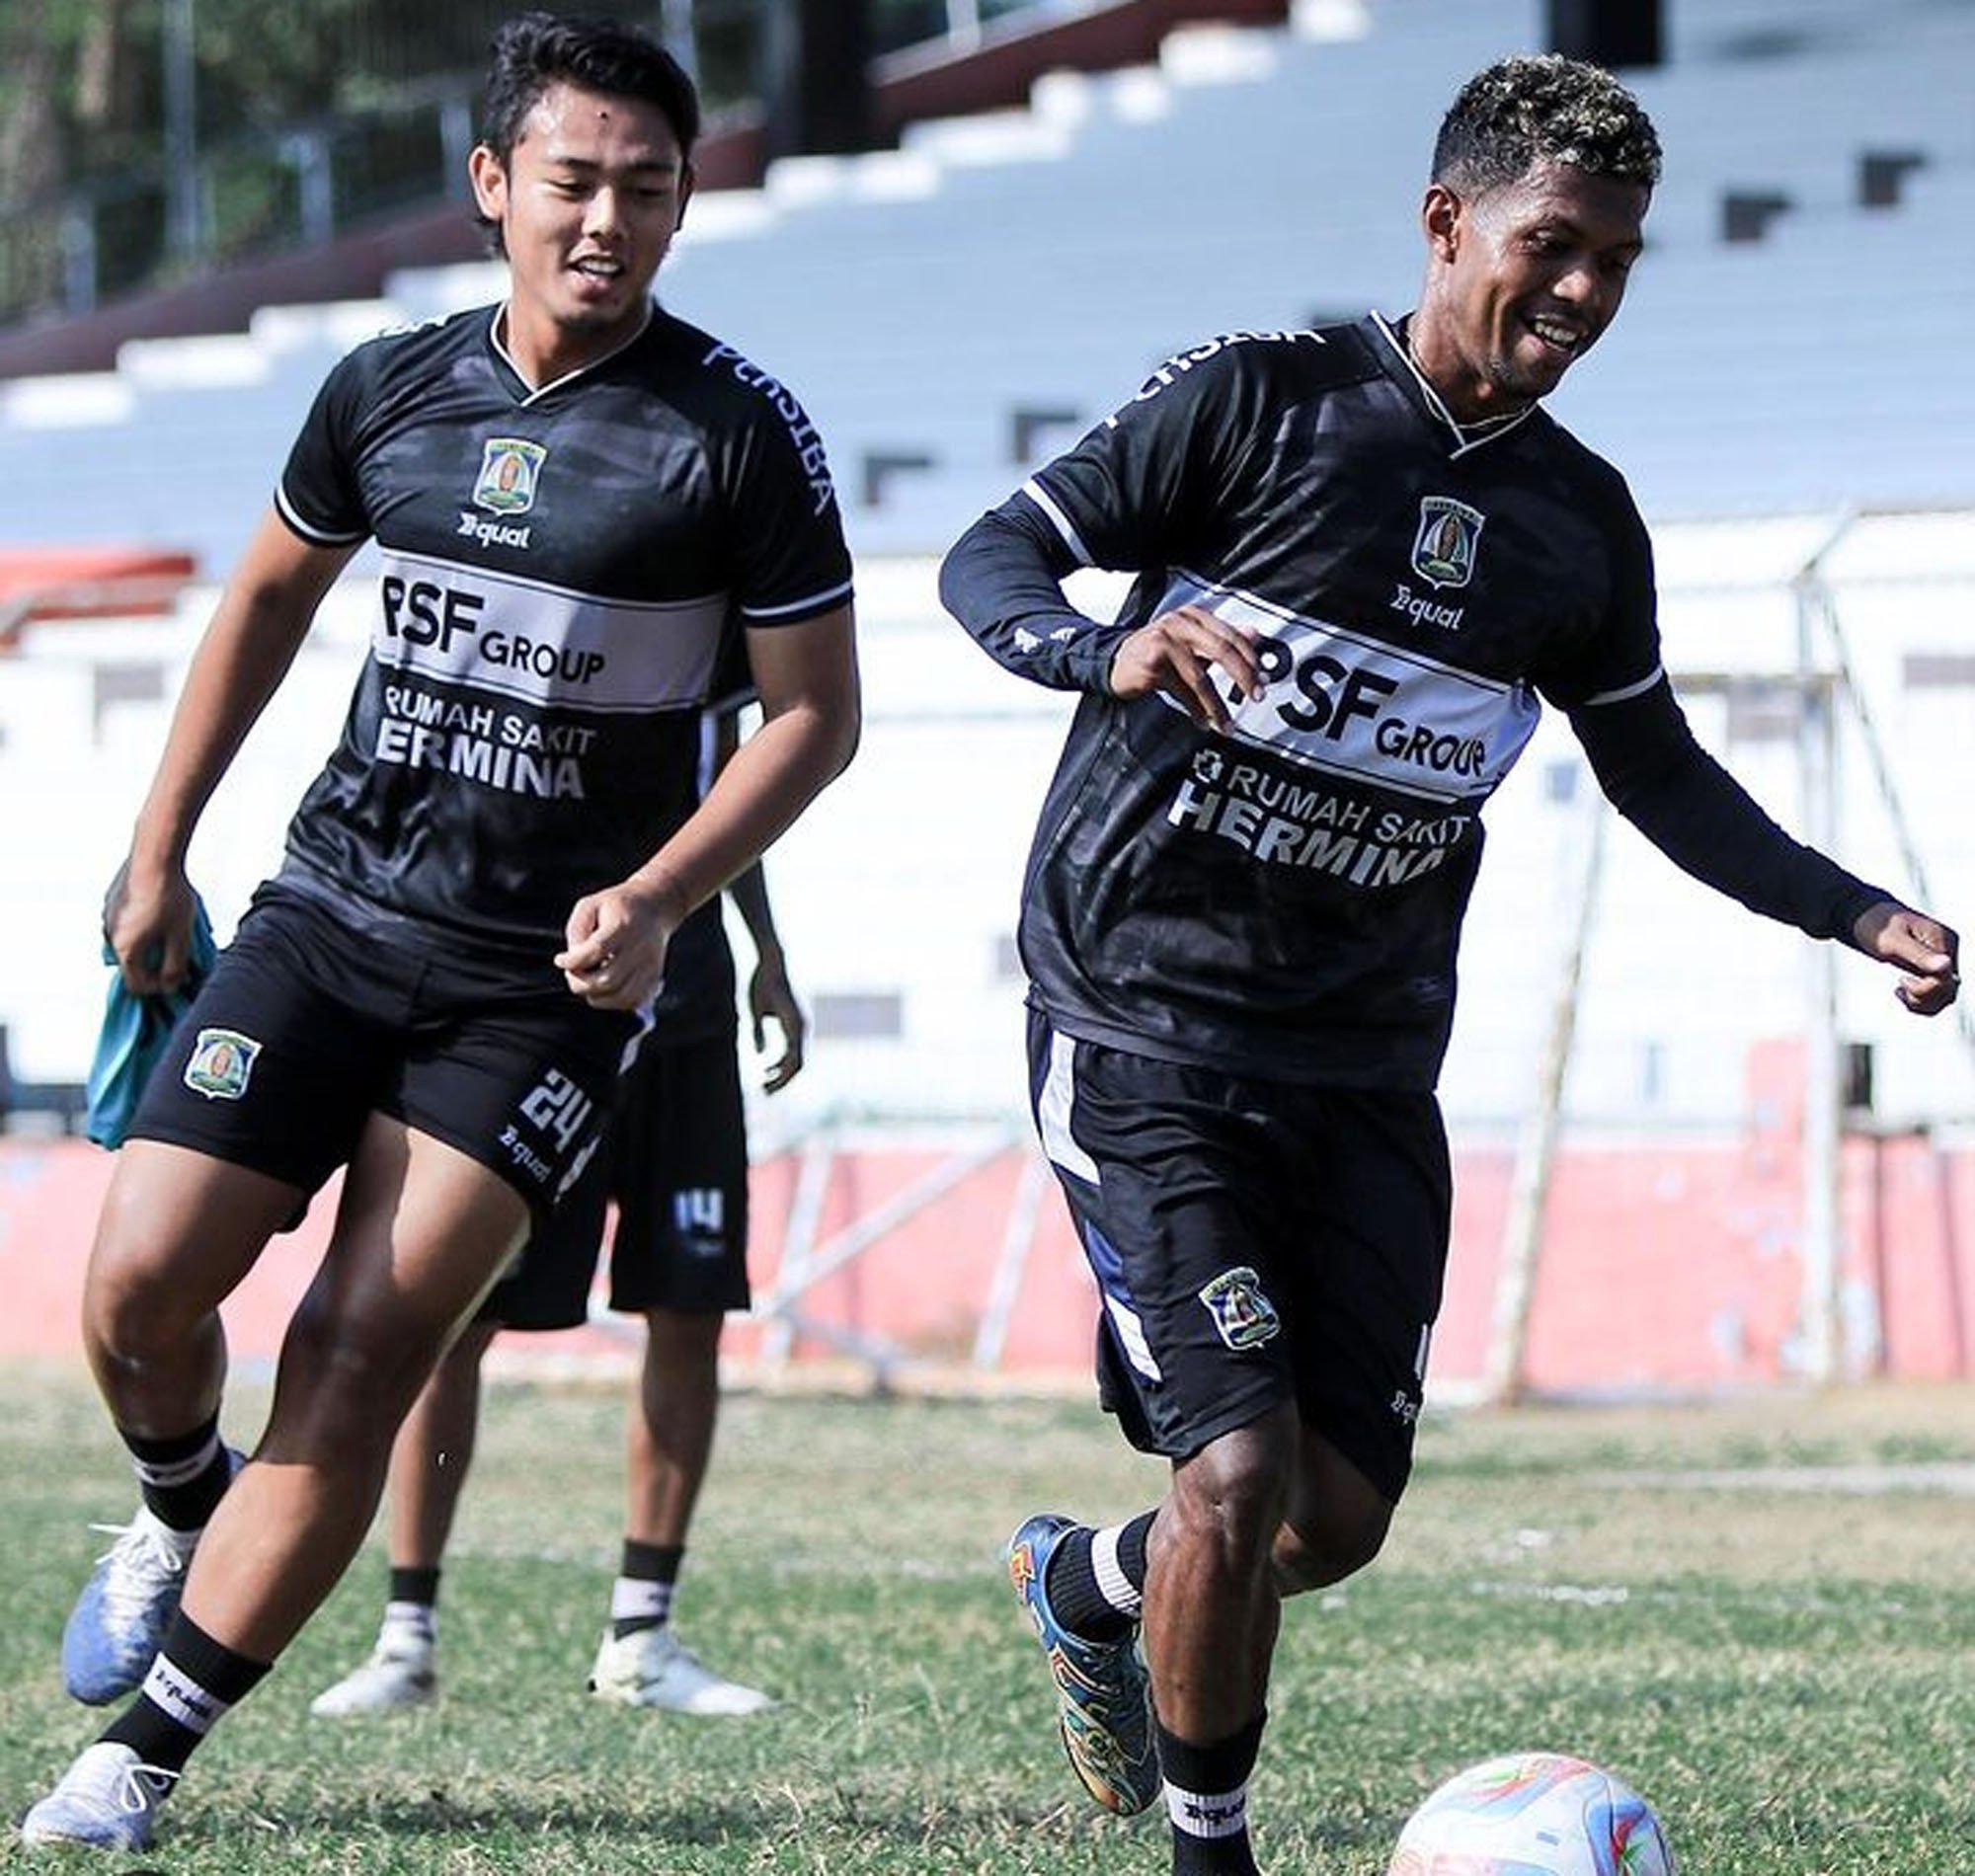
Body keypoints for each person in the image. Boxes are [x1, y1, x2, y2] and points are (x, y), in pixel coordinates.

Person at [938, 52, 1958, 1876]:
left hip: (1369, 1059)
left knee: (1319, 1521)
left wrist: (1850, 908)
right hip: (1143, 1022)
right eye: (1551, 244)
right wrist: (1096, 649)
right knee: (1235, 1476)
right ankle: (1209, 1853)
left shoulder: (1581, 522)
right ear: (1444, 221)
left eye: (1617, 261)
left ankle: (1085, 1585)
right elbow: (996, 549)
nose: (1580, 292)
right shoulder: (1260, 405)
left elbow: (1656, 768)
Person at [24, 10, 858, 1852]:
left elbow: (814, 718)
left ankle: (137, 1764)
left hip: (536, 991)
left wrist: (657, 899)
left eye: (650, 190)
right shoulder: (390, 389)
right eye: (574, 183)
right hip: (327, 910)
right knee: (138, 1287)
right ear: (493, 186)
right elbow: (254, 605)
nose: (609, 224)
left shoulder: (739, 436)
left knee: (358, 1349)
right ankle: (180, 1508)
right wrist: (157, 852)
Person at [309, 707, 801, 1723]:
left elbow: (733, 801)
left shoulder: (738, 630)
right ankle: (406, 1636)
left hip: (690, 1017)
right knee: (455, 1321)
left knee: (687, 1308)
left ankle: (641, 1634)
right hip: (547, 1019)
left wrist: (767, 954)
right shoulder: (576, 623)